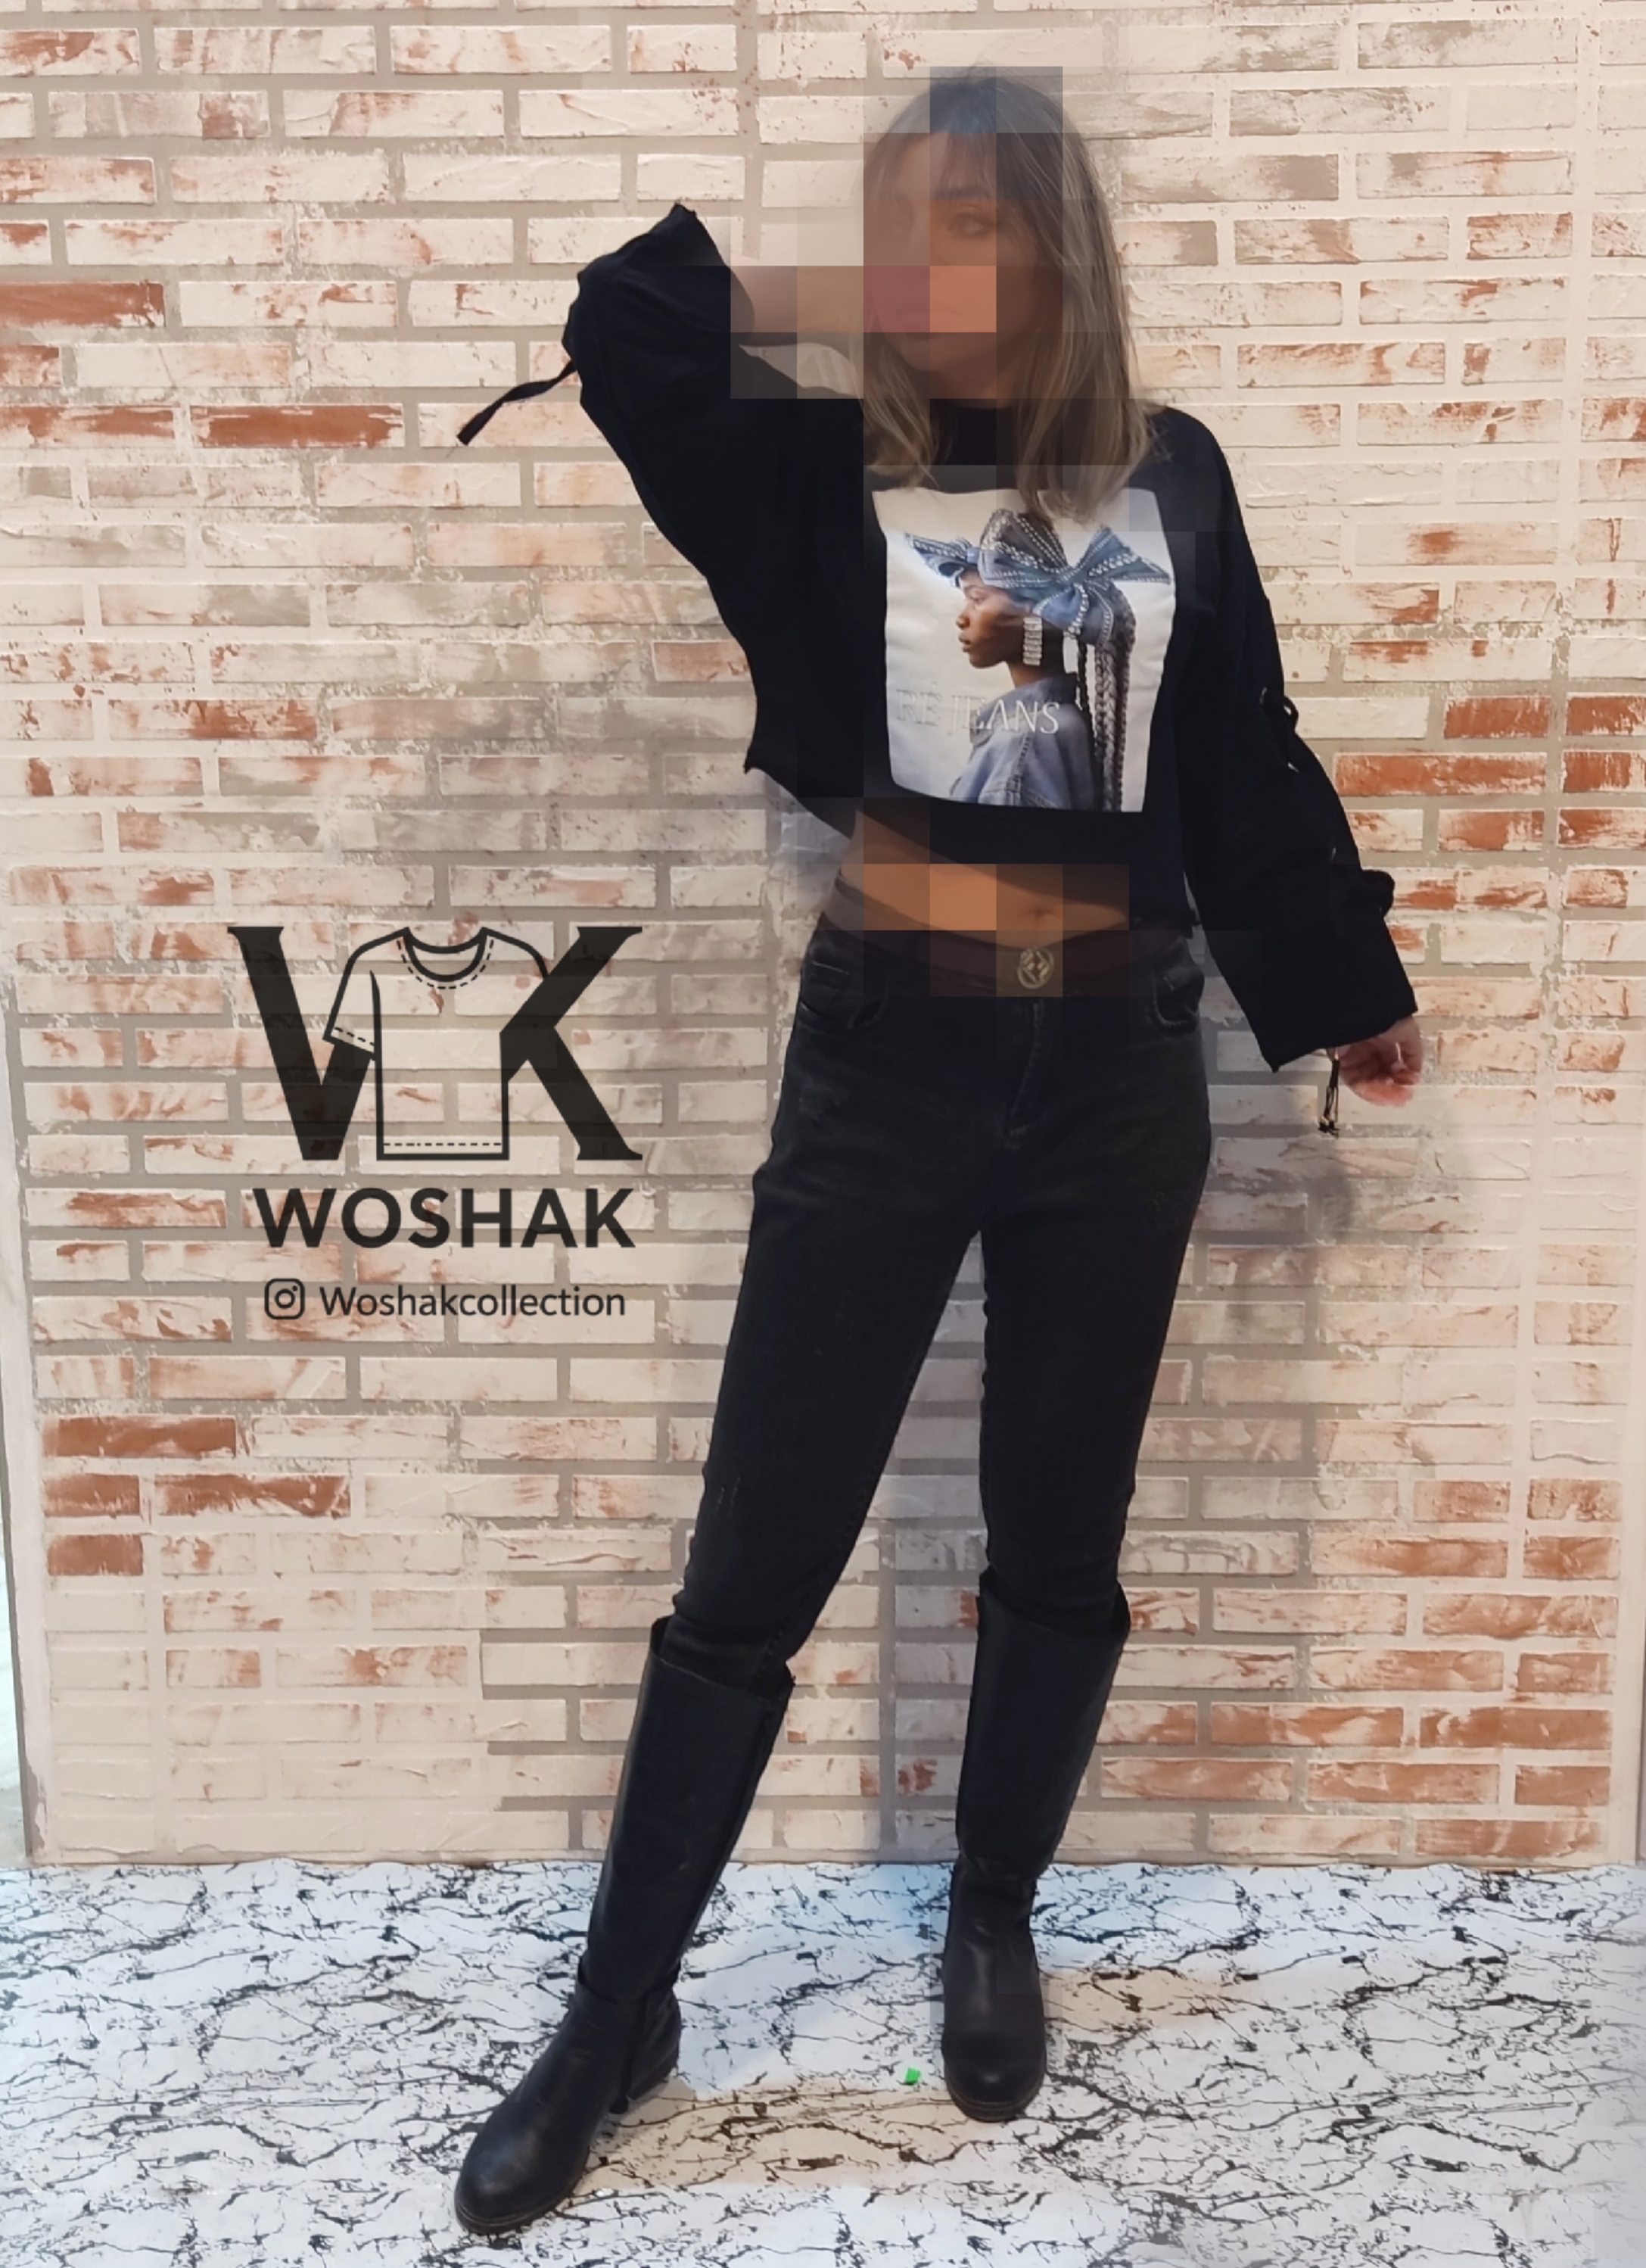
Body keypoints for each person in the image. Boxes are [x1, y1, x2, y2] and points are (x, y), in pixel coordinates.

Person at [451, 66, 1424, 2236]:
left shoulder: (1170, 474)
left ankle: (992, 1918)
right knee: (753, 1560)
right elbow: (632, 323)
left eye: (979, 228)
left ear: (1061, 249)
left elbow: (1239, 750)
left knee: (1059, 1530)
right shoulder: (821, 469)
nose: (933, 271)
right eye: (907, 230)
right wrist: (856, 284)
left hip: (1120, 1074)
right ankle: (619, 2010)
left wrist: (1347, 978)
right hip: (889, 1063)